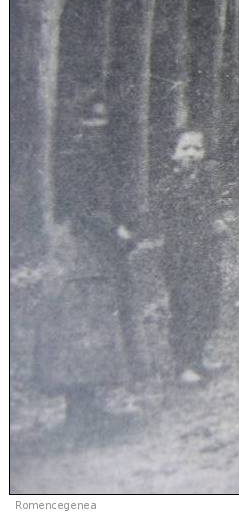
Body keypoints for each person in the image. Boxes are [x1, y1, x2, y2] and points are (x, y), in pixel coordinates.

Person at [34, 98, 139, 439]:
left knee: (97, 325)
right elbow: (81, 208)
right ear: (79, 122)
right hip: (79, 247)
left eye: (103, 118)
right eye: (91, 118)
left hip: (97, 246)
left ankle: (90, 407)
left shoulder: (101, 156)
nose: (98, 125)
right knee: (77, 324)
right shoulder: (72, 157)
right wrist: (115, 230)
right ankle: (77, 412)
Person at [153, 128, 226, 386]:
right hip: (181, 257)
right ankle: (183, 364)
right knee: (185, 307)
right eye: (185, 149)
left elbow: (214, 209)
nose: (192, 154)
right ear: (173, 154)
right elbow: (171, 217)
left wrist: (217, 222)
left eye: (197, 148)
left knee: (208, 306)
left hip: (207, 253)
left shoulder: (207, 181)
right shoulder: (168, 186)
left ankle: (198, 357)